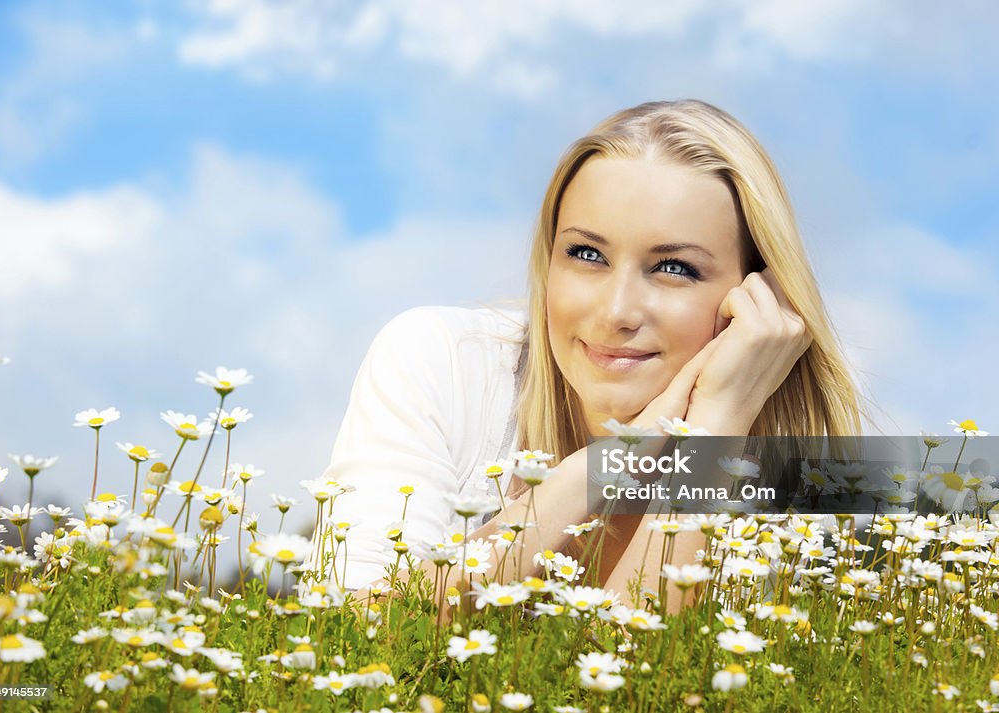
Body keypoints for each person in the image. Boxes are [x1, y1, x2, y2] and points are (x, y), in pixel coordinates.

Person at [301, 99, 864, 610]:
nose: (616, 312)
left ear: (757, 297)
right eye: (587, 254)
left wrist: (714, 428)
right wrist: (603, 468)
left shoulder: (793, 483)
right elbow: (352, 635)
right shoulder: (443, 363)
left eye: (674, 268)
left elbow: (636, 686)